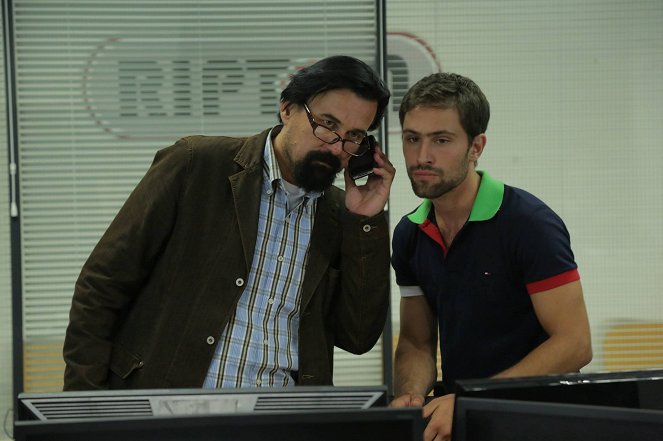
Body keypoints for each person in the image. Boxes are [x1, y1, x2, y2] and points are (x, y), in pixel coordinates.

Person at [63, 55, 394, 390]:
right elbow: (102, 286)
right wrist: (85, 405)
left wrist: (366, 222)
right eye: (327, 124)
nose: (337, 147)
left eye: (354, 135)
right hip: (169, 403)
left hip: (279, 412)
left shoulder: (340, 215)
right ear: (287, 108)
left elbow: (357, 337)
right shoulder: (195, 164)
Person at [389, 72, 592, 441]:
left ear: (476, 147)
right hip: (463, 418)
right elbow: (417, 342)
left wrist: (472, 400)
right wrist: (411, 398)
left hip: (537, 421)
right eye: (412, 138)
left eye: (441, 140)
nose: (422, 156)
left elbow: (575, 343)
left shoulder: (529, 224)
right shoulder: (409, 234)